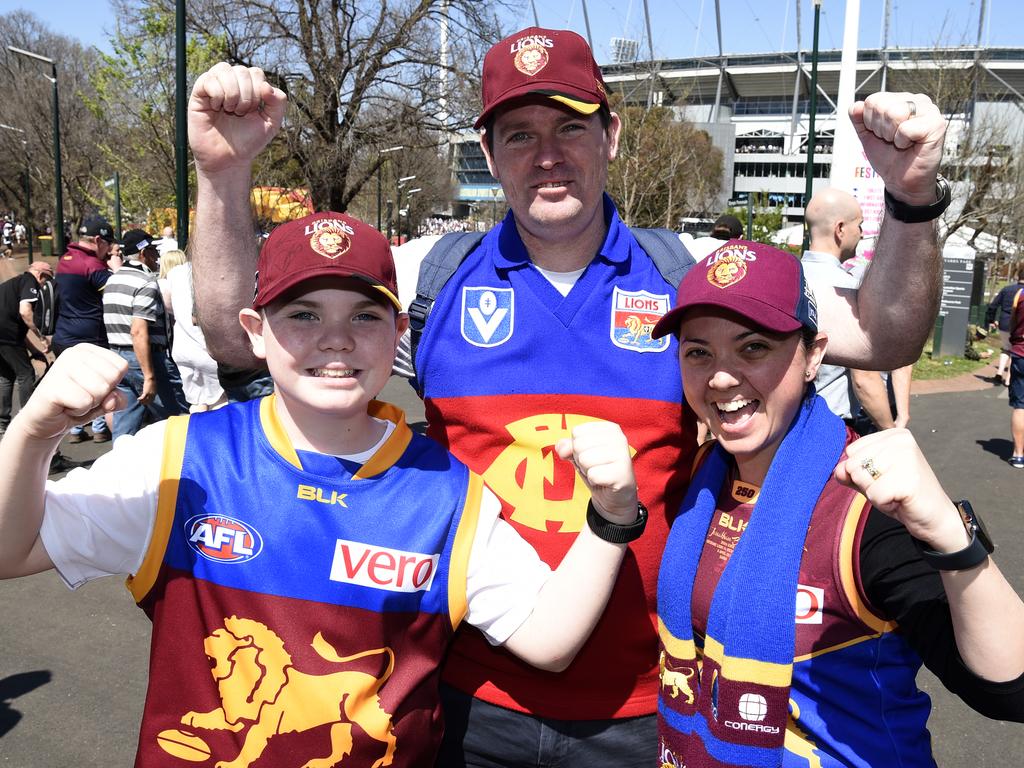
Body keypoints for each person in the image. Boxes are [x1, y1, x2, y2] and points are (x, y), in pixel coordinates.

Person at [186, 29, 949, 767]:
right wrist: (223, 176)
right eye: (518, 134)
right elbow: (236, 332)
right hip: (464, 696)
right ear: (487, 153)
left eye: (569, 127)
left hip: (649, 700)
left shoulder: (688, 273)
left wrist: (911, 200)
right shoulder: (429, 277)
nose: (547, 155)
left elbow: (885, 335)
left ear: (611, 135)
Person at [0, 211, 643, 767]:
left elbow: (550, 641)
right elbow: (10, 551)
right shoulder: (179, 457)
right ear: (255, 329)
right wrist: (33, 431)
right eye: (303, 313)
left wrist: (611, 515)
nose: (336, 338)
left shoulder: (446, 494)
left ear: (398, 334)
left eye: (365, 315)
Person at [651, 239, 1024, 766]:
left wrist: (949, 532)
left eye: (753, 346)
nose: (721, 376)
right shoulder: (699, 476)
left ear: (813, 356)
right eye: (698, 352)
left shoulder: (862, 501)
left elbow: (1009, 691)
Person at [802, 187, 912, 434]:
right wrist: (890, 430)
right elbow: (864, 378)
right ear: (840, 229)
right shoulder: (849, 289)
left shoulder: (789, 278)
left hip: (786, 420)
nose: (861, 234)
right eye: (859, 225)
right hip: (830, 424)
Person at [102, 229, 188, 438]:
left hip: (118, 356)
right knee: (178, 419)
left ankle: (120, 464)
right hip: (145, 358)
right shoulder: (145, 282)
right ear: (143, 253)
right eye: (152, 251)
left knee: (125, 421)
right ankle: (183, 466)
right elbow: (138, 331)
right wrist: (149, 376)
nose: (156, 256)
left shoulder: (113, 280)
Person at [54, 214, 115, 444]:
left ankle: (76, 430)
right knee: (99, 387)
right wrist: (115, 270)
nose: (109, 250)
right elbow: (114, 291)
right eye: (108, 245)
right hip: (91, 337)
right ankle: (99, 427)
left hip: (64, 334)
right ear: (98, 240)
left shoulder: (64, 259)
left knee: (73, 386)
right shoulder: (92, 265)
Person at [161, 251, 226, 411]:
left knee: (197, 402)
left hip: (183, 349)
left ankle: (197, 432)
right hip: (208, 350)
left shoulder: (174, 273)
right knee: (220, 402)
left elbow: (168, 305)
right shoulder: (215, 271)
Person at [0, 261, 52, 437]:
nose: (45, 285)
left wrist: (34, 351)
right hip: (7, 334)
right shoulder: (30, 282)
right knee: (26, 374)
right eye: (47, 280)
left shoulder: (12, 284)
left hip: (6, 335)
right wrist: (41, 336)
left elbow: (17, 327)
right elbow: (25, 312)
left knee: (6, 376)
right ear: (40, 275)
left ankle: (3, 422)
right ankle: (27, 421)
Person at [988, 266, 1024, 387]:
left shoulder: (1007, 289)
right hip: (1019, 325)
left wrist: (991, 320)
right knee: (1016, 350)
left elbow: (993, 305)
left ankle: (999, 374)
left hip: (1004, 323)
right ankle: (1009, 379)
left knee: (1006, 348)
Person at [1005, 281, 1024, 467]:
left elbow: (1012, 323)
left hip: (1021, 354)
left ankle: (1018, 454)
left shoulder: (1020, 294)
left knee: (1021, 405)